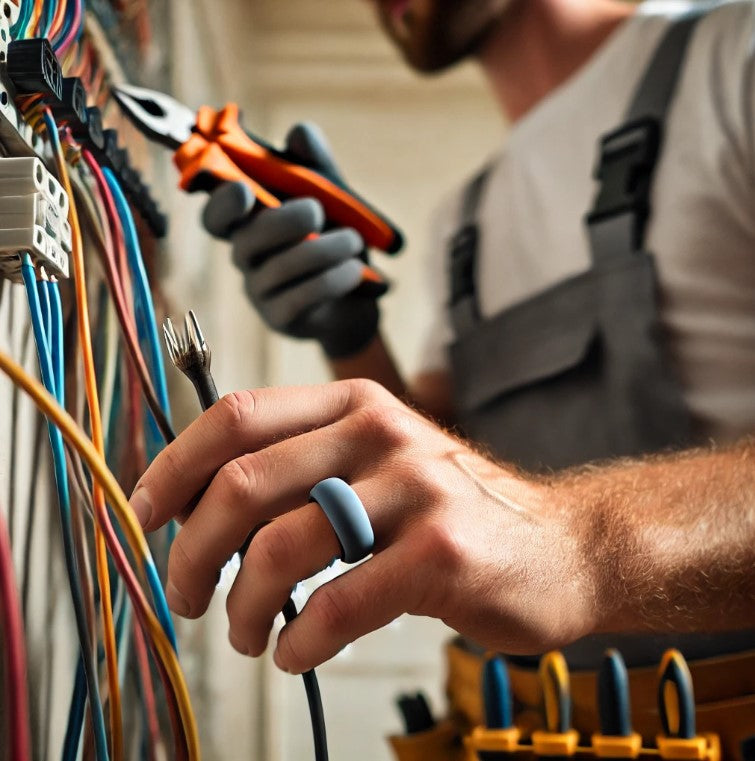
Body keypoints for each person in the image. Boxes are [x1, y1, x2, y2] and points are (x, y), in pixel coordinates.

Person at [131, 0, 755, 755]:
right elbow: (456, 470)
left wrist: (579, 546)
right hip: (508, 731)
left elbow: (521, 522)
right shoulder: (467, 218)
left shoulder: (736, 60)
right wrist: (351, 335)